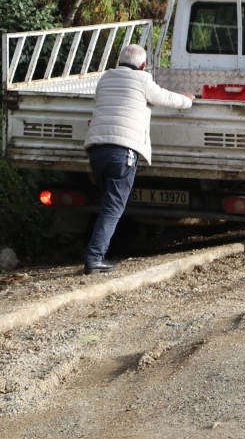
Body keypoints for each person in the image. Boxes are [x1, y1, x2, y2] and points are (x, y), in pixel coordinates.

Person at [82, 44, 195, 274]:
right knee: (113, 208)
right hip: (122, 152)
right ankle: (94, 258)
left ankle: (99, 251)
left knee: (107, 205)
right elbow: (165, 98)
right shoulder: (142, 80)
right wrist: (188, 100)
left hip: (96, 150)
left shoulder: (105, 78)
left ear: (119, 60)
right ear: (143, 65)